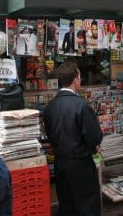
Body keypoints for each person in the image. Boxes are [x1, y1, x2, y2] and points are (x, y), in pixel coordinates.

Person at [43, 61, 103, 216]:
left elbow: (50, 134)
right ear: (75, 80)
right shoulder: (82, 105)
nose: (80, 81)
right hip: (81, 165)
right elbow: (95, 137)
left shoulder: (50, 107)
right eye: (80, 78)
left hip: (60, 164)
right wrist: (94, 146)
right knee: (87, 206)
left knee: (67, 205)